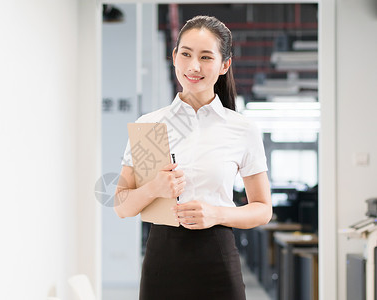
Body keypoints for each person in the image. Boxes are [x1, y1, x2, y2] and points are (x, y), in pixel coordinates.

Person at [114, 15, 272, 300]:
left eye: (206, 57)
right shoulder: (151, 125)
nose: (193, 66)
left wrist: (217, 213)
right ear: (174, 57)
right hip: (162, 260)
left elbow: (262, 208)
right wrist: (154, 188)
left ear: (225, 65)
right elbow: (122, 206)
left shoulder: (242, 129)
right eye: (185, 54)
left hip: (218, 258)